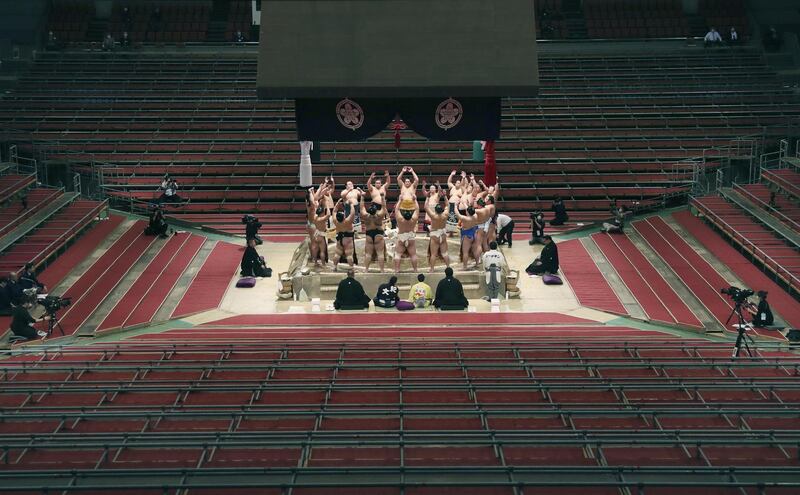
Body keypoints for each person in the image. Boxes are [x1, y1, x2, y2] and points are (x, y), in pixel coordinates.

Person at [394, 196, 419, 273]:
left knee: (398, 254)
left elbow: (397, 209)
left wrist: (399, 200)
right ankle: (415, 270)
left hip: (401, 237)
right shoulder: (414, 219)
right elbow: (417, 209)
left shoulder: (400, 219)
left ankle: (397, 270)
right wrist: (415, 200)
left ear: (403, 215)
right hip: (411, 237)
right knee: (413, 255)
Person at [426, 201, 450, 272]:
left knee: (433, 254)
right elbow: (448, 205)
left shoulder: (433, 216)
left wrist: (427, 197)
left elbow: (425, 207)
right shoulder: (445, 215)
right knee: (445, 253)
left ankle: (432, 269)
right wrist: (445, 196)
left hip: (435, 235)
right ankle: (448, 267)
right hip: (442, 235)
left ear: (435, 211)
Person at [333, 199, 357, 270]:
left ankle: (334, 267)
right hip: (347, 239)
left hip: (339, 239)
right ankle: (351, 268)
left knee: (337, 253)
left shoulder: (335, 221)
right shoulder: (347, 221)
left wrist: (337, 203)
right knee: (349, 254)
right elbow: (352, 213)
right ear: (343, 217)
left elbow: (334, 211)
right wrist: (351, 204)